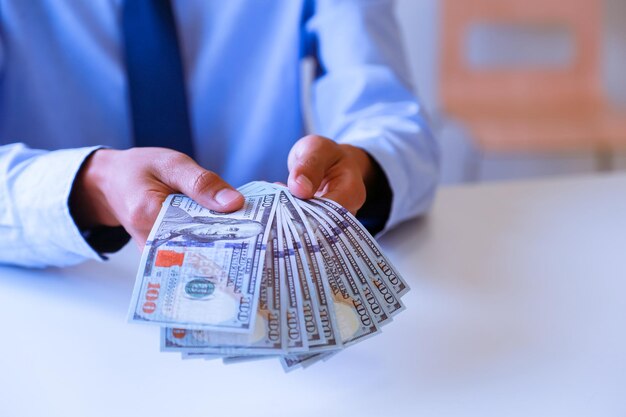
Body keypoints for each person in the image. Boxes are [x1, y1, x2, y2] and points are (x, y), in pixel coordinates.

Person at [0, 0, 439, 268]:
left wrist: (359, 166)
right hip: (58, 298)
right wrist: (92, 184)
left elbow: (393, 120)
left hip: (270, 282)